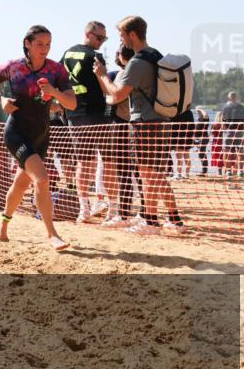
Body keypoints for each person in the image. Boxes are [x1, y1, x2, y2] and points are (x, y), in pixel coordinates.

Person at [0, 24, 76, 251]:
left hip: (41, 134)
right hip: (16, 132)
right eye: (39, 44)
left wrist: (55, 93)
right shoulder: (12, 67)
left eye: (48, 44)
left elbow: (72, 103)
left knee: (20, 184)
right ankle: (52, 234)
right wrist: (1, 99)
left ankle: (4, 225)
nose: (44, 49)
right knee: (42, 179)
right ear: (27, 43)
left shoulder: (56, 70)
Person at [95, 15, 184, 234]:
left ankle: (151, 222)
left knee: (146, 173)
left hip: (144, 122)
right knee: (156, 173)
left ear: (132, 34)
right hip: (162, 119)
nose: (121, 40)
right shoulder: (156, 55)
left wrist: (103, 75)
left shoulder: (138, 61)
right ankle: (174, 220)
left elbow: (117, 95)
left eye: (122, 35)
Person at [60, 21, 112, 223]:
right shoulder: (95, 56)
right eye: (99, 38)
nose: (101, 42)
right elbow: (106, 87)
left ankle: (84, 210)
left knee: (84, 162)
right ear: (88, 34)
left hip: (74, 113)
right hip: (97, 113)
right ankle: (113, 209)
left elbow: (58, 77)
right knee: (108, 162)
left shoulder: (66, 54)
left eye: (104, 39)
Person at [101, 46, 137, 228]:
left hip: (125, 124)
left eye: (117, 53)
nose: (115, 55)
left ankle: (124, 214)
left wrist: (103, 77)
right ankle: (138, 213)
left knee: (126, 172)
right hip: (133, 124)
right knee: (136, 172)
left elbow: (115, 97)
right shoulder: (136, 69)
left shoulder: (126, 72)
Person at [220, 91, 244, 179]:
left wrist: (223, 129)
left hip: (229, 131)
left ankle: (228, 171)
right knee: (240, 150)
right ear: (236, 97)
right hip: (239, 131)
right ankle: (240, 171)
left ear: (229, 98)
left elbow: (223, 121)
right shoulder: (242, 107)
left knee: (227, 151)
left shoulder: (225, 107)